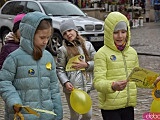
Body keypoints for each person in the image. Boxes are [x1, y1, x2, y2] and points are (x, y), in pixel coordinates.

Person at [0, 11, 63, 120]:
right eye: (42, 37)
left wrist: (58, 113)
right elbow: (4, 82)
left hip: (46, 115)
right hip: (22, 115)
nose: (45, 41)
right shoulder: (14, 58)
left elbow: (53, 87)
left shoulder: (48, 57)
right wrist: (13, 101)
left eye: (48, 37)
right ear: (30, 35)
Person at [93, 12, 139, 120]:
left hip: (128, 104)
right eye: (116, 32)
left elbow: (137, 78)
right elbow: (98, 82)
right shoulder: (102, 54)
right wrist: (112, 86)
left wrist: (152, 81)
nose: (120, 36)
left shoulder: (132, 52)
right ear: (109, 33)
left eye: (123, 32)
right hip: (110, 107)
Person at [56, 19, 96, 120]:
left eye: (70, 30)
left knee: (88, 115)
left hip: (85, 86)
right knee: (75, 115)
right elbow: (60, 69)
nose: (68, 34)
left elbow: (97, 62)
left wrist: (86, 65)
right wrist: (66, 82)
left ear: (75, 30)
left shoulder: (87, 45)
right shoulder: (63, 50)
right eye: (65, 33)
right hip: (72, 89)